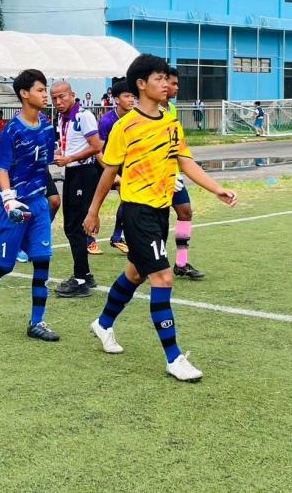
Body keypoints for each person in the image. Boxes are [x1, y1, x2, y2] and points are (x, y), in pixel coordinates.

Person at [83, 54, 238, 382]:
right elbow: (109, 171)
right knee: (163, 278)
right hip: (137, 212)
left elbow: (186, 161)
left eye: (167, 79)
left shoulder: (171, 122)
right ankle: (174, 358)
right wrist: (93, 211)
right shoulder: (125, 126)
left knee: (136, 273)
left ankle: (103, 323)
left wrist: (217, 189)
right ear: (141, 84)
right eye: (159, 79)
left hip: (160, 210)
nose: (166, 84)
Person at [0, 69, 59, 341]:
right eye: (40, 90)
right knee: (5, 265)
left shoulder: (47, 127)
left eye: (45, 90)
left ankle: (37, 322)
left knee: (42, 261)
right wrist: (8, 199)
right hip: (15, 206)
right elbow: (2, 169)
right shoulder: (12, 129)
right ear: (24, 94)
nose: (46, 95)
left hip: (38, 204)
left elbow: (44, 163)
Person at [51, 81, 102, 297]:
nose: (58, 101)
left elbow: (96, 146)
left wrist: (70, 158)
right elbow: (71, 145)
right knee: (72, 225)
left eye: (62, 96)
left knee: (75, 226)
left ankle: (80, 279)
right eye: (54, 98)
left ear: (72, 95)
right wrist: (60, 154)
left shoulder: (83, 116)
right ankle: (85, 274)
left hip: (83, 173)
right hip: (72, 173)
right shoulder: (62, 118)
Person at [166, 68, 203, 280]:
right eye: (172, 83)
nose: (176, 88)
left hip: (173, 175)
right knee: (156, 224)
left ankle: (181, 263)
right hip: (152, 181)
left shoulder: (171, 109)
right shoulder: (141, 115)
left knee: (185, 212)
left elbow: (178, 148)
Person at [96, 80, 133, 254]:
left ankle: (118, 236)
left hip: (124, 166)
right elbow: (98, 150)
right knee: (94, 203)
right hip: (104, 165)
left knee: (128, 200)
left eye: (132, 96)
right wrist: (109, 172)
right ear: (117, 99)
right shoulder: (107, 121)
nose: (131, 99)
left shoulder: (134, 118)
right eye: (127, 96)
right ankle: (89, 240)